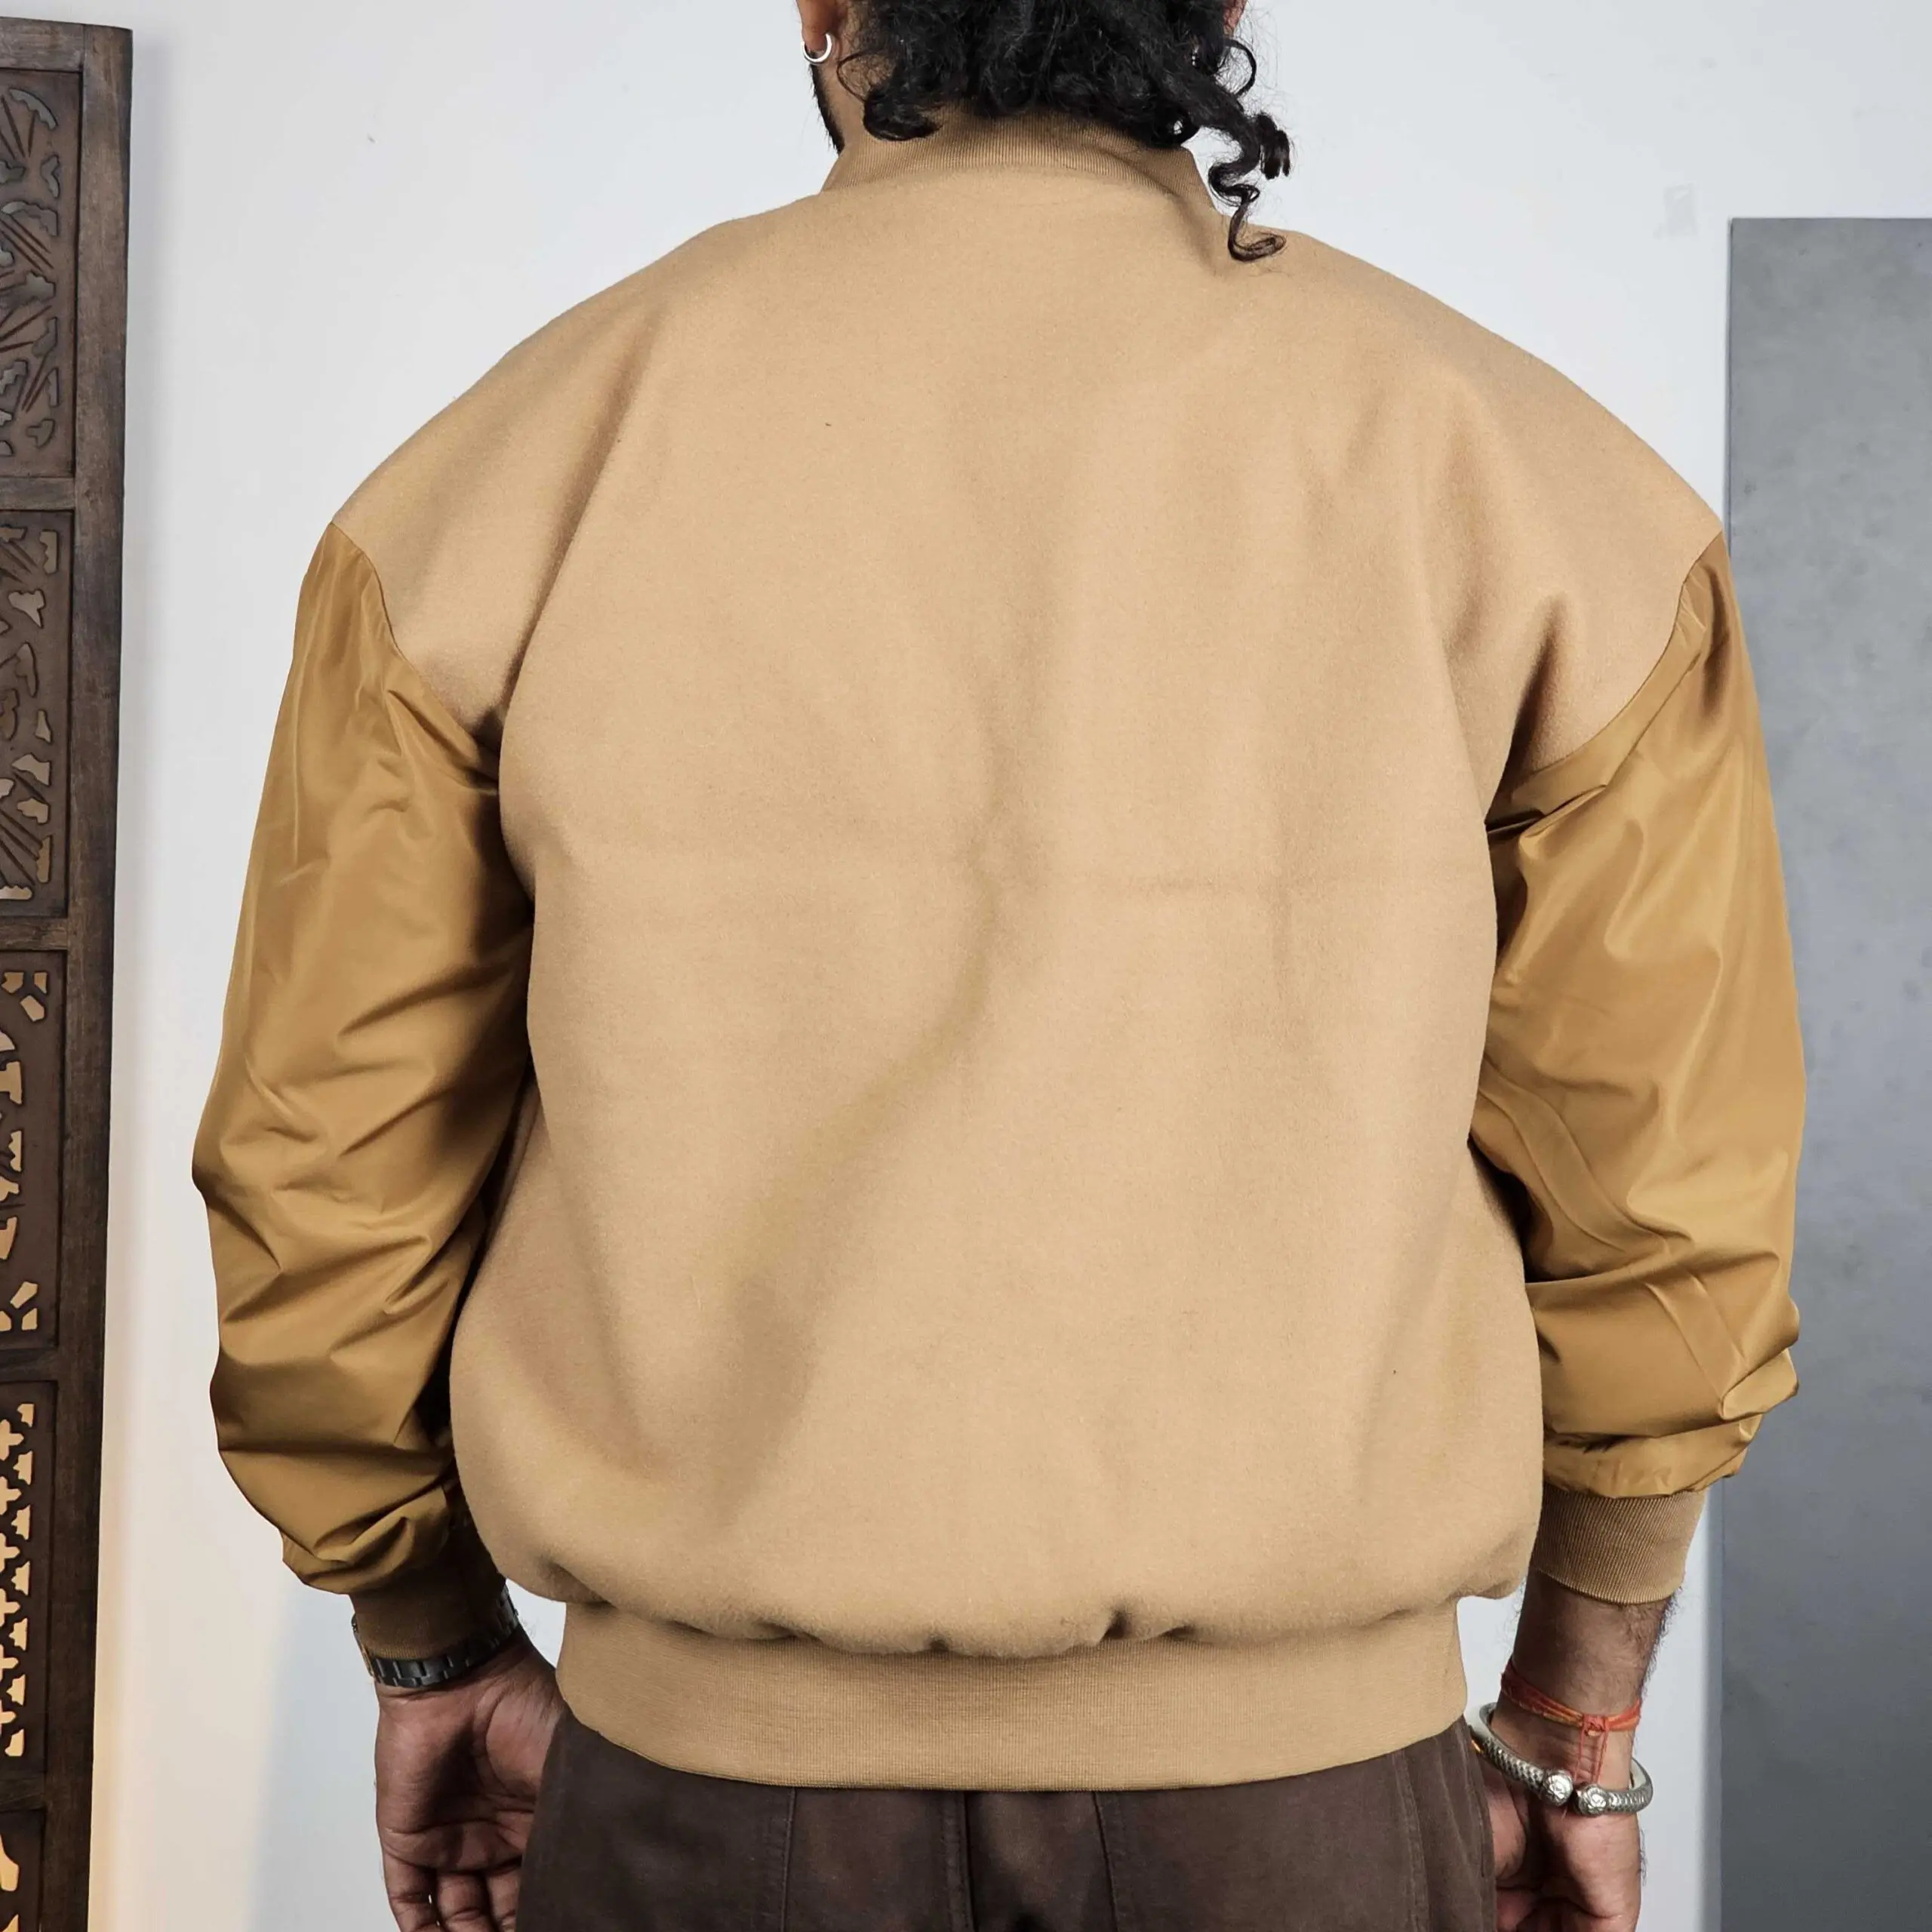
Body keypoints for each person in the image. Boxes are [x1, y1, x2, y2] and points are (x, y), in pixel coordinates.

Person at [192, 2, 1806, 1927]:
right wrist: (1571, 1710)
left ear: (822, 11)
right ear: (1222, 10)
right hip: (1297, 1818)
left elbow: (323, 1160)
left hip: (702, 1805)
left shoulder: (506, 474)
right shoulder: (1538, 486)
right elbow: (1666, 1194)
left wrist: (430, 1633)